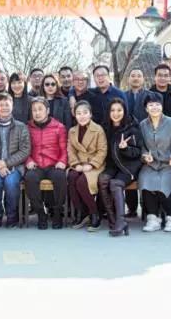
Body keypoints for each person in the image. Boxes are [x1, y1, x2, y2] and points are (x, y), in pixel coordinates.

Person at [98, 98, 143, 237]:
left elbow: (138, 152)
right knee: (103, 179)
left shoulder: (132, 127)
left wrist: (125, 149)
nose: (116, 113)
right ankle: (112, 219)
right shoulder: (105, 127)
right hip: (112, 165)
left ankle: (121, 221)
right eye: (113, 110)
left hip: (128, 166)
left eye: (119, 110)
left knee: (115, 183)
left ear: (125, 111)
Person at [138, 95, 171, 233]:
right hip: (151, 164)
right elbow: (141, 146)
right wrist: (145, 156)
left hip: (169, 164)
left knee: (162, 182)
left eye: (157, 104)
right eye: (151, 105)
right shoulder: (142, 125)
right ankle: (153, 219)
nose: (154, 107)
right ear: (146, 108)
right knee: (145, 180)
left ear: (162, 106)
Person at [0, 93, 30, 228]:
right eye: (1, 105)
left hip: (15, 166)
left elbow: (25, 150)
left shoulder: (21, 127)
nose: (4, 107)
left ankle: (12, 215)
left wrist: (6, 163)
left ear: (12, 106)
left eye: (7, 104)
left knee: (11, 182)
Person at [25, 97, 67, 230]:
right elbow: (24, 148)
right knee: (30, 178)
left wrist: (62, 161)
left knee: (60, 177)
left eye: (40, 109)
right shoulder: (27, 127)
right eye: (34, 110)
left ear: (47, 110)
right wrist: (28, 160)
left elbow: (64, 149)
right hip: (36, 165)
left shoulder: (59, 127)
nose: (37, 113)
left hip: (54, 164)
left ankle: (57, 213)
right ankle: (40, 213)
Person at [68, 101, 108, 231]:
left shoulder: (98, 129)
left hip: (95, 165)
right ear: (75, 115)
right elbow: (70, 150)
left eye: (85, 113)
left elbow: (102, 150)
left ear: (90, 114)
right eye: (78, 113)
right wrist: (76, 164)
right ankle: (82, 212)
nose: (82, 116)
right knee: (72, 177)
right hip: (79, 163)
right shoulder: (72, 131)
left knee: (81, 181)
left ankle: (94, 213)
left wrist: (91, 165)